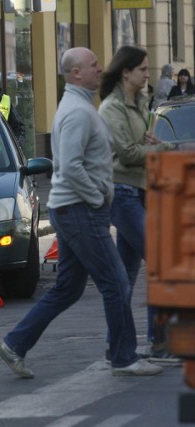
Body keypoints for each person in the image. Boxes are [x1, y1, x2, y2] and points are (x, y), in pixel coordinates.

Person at [0, 47, 163, 378]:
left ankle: (15, 344)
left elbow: (89, 157)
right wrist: (98, 196)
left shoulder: (83, 108)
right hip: (80, 210)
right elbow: (69, 167)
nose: (100, 69)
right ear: (75, 74)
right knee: (116, 283)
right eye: (93, 65)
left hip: (76, 209)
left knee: (69, 288)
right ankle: (124, 356)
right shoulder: (76, 112)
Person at [97, 46, 178, 362]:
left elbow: (140, 146)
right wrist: (166, 149)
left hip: (140, 191)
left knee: (124, 278)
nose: (148, 74)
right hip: (122, 193)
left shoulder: (139, 104)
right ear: (125, 72)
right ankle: (158, 343)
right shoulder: (111, 108)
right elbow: (128, 154)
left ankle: (114, 342)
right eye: (143, 69)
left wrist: (152, 145)